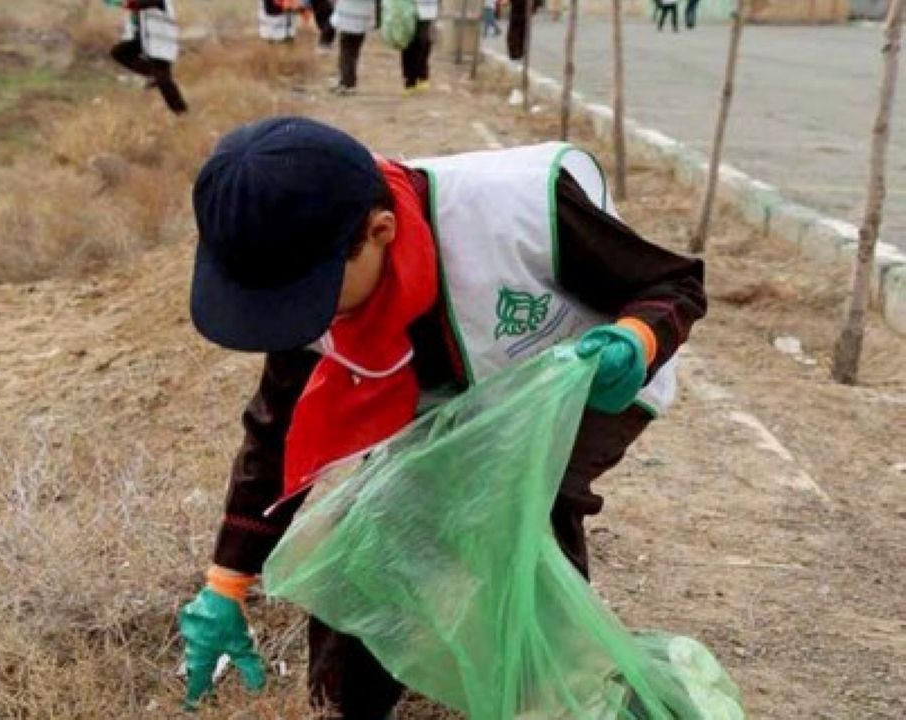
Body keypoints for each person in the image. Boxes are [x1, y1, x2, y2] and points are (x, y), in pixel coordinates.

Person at [178, 116, 706, 718]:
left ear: (380, 231)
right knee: (364, 544)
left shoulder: (517, 209)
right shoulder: (314, 263)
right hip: (456, 386)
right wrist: (227, 581)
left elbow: (675, 281)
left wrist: (635, 341)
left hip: (589, 375)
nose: (301, 323)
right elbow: (278, 430)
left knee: (517, 522)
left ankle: (580, 698)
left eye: (306, 299)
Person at [106, 0, 187, 115]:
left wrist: (119, 3)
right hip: (147, 40)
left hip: (162, 42)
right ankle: (153, 74)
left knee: (164, 80)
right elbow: (137, 14)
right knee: (119, 52)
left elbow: (139, 5)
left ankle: (181, 112)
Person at [330, 0, 374, 95]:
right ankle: (347, 82)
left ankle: (347, 84)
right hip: (364, 16)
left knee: (346, 52)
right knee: (353, 52)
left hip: (347, 15)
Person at [401, 0, 438, 94]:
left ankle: (422, 74)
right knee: (408, 41)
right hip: (406, 7)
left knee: (422, 40)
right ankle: (410, 79)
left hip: (426, 8)